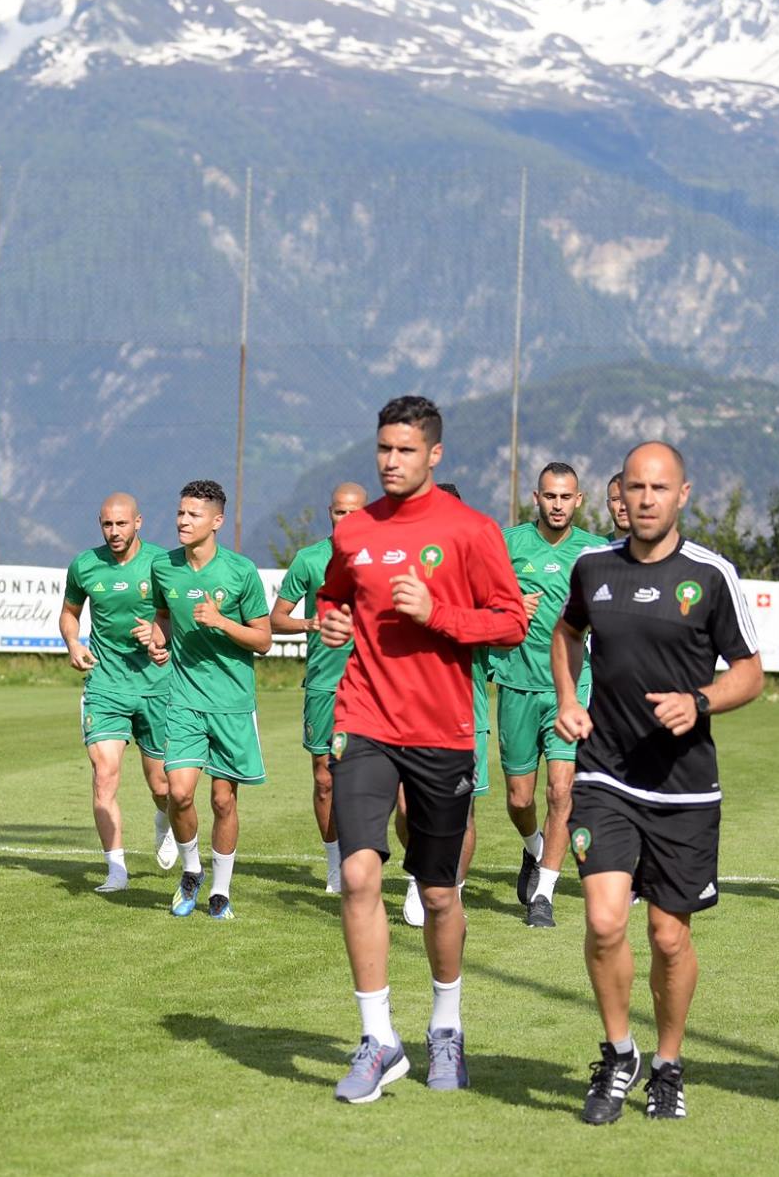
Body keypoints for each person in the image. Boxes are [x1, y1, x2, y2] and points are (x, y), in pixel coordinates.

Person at [314, 397, 527, 1103]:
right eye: (383, 448)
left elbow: (510, 624)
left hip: (441, 732)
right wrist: (333, 621)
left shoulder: (471, 530)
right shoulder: (356, 531)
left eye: (405, 450)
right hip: (365, 718)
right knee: (358, 873)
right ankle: (378, 1038)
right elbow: (331, 598)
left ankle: (446, 1026)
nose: (390, 460)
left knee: (439, 892)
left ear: (435, 454)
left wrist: (436, 613)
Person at [553, 442, 763, 1125]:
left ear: (683, 494)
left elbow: (750, 672)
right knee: (605, 919)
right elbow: (567, 631)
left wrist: (699, 701)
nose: (645, 498)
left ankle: (668, 1063)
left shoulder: (710, 575)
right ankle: (619, 1052)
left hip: (685, 789)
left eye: (659, 487)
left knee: (669, 938)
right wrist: (568, 696)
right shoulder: (594, 568)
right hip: (605, 775)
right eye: (636, 487)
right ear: (622, 493)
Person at [136, 480, 271, 920]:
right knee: (178, 793)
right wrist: (157, 640)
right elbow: (163, 617)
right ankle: (192, 870)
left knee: (223, 801)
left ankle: (221, 891)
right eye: (179, 513)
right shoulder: (164, 567)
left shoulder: (240, 572)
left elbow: (264, 639)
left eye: (193, 515)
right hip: (182, 699)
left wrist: (221, 622)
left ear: (216, 521)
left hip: (231, 702)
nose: (182, 521)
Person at [494, 462, 608, 927]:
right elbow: (474, 598)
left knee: (562, 790)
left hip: (570, 689)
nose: (558, 505)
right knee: (520, 800)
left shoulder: (597, 551)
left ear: (579, 500)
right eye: (550, 496)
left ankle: (544, 893)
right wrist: (508, 606)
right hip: (517, 684)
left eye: (566, 497)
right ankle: (535, 848)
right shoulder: (508, 544)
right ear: (536, 499)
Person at [60, 493, 177, 893]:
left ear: (138, 522)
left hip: (156, 687)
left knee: (163, 786)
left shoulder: (162, 563)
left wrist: (161, 636)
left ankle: (164, 821)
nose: (114, 532)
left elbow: (176, 616)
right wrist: (74, 644)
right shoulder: (84, 565)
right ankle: (116, 870)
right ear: (99, 523)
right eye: (107, 524)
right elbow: (70, 612)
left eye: (121, 524)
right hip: (105, 685)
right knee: (104, 776)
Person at [398, 482, 492, 930]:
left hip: (463, 710)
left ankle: (452, 891)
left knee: (463, 808)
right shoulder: (402, 568)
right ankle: (420, 877)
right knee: (404, 809)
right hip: (405, 710)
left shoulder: (481, 574)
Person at [270, 481, 369, 894]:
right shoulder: (309, 559)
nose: (346, 520)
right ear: (330, 512)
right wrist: (307, 623)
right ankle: (334, 865)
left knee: (372, 781)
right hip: (324, 688)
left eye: (354, 513)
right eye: (339, 512)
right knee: (325, 779)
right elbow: (276, 618)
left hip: (375, 688)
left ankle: (365, 864)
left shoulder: (383, 557)